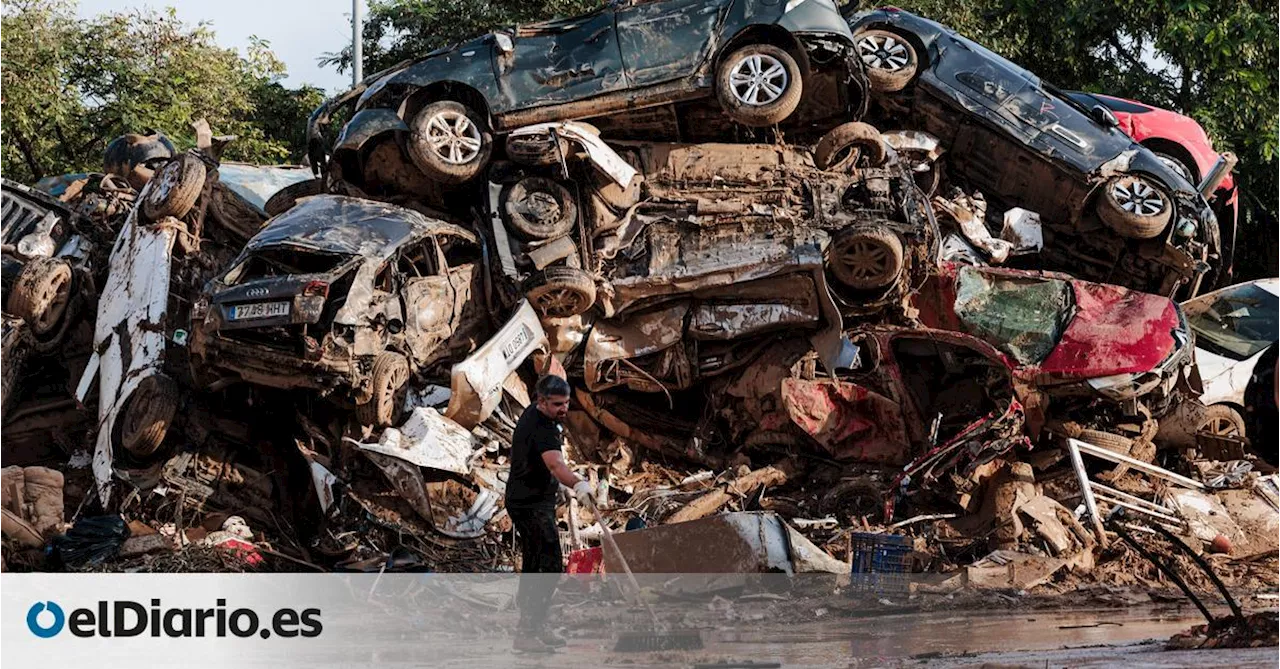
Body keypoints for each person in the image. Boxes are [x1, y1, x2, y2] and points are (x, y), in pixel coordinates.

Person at [505, 374, 596, 653]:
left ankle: (534, 626)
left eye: (567, 403)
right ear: (541, 401)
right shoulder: (542, 427)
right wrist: (578, 484)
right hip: (530, 505)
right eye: (557, 404)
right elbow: (556, 465)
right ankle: (527, 631)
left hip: (527, 501)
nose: (564, 409)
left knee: (535, 565)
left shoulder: (536, 415)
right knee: (548, 567)